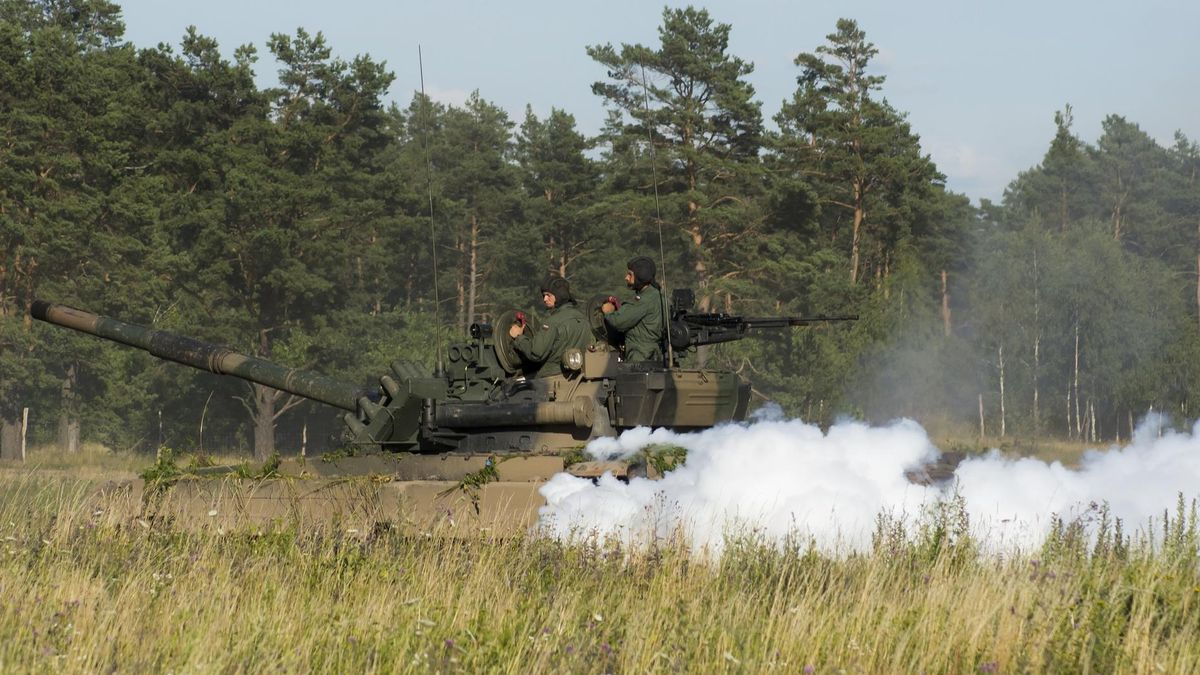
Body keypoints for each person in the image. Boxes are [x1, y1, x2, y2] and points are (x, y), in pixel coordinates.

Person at [509, 273, 592, 377]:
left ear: (559, 295)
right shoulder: (583, 319)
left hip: (552, 377)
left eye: (548, 295)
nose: (544, 299)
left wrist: (519, 337)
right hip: (578, 375)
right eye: (544, 295)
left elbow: (536, 354)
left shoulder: (552, 322)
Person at [601, 256, 666, 363]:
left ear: (640, 276)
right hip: (655, 355)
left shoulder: (644, 300)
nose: (626, 278)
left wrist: (608, 311)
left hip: (639, 357)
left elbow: (619, 321)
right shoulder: (658, 296)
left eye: (630, 274)